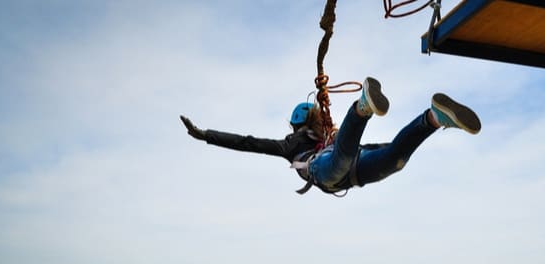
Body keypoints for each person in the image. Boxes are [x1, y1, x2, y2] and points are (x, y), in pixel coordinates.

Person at [180, 77, 481, 195]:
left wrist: (387, 146)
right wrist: (205, 134)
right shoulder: (293, 145)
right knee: (354, 157)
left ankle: (431, 118)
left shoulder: (330, 135)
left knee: (395, 160)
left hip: (341, 168)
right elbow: (246, 143)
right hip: (333, 171)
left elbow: (246, 142)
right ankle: (374, 110)